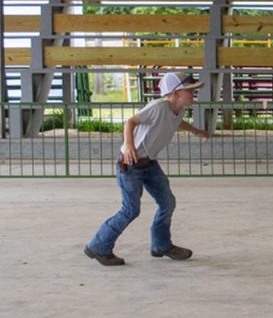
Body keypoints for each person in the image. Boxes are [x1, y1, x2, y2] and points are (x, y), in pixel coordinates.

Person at [84, 71, 209, 266]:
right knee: (130, 210)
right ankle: (98, 246)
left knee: (167, 202)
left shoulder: (179, 110)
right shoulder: (158, 107)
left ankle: (161, 245)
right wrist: (130, 146)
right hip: (131, 164)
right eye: (190, 91)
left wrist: (196, 131)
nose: (193, 94)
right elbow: (131, 122)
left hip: (150, 163)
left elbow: (177, 122)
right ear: (176, 93)